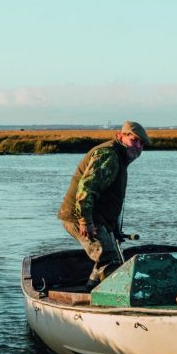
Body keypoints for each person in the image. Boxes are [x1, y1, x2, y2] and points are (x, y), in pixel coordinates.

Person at [57, 121, 152, 287]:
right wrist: (85, 221)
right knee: (109, 260)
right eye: (134, 140)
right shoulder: (109, 155)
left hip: (94, 218)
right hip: (80, 217)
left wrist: (113, 228)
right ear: (119, 136)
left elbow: (108, 197)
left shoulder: (119, 156)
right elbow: (86, 190)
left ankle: (90, 291)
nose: (137, 146)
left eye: (141, 143)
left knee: (107, 259)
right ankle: (111, 303)